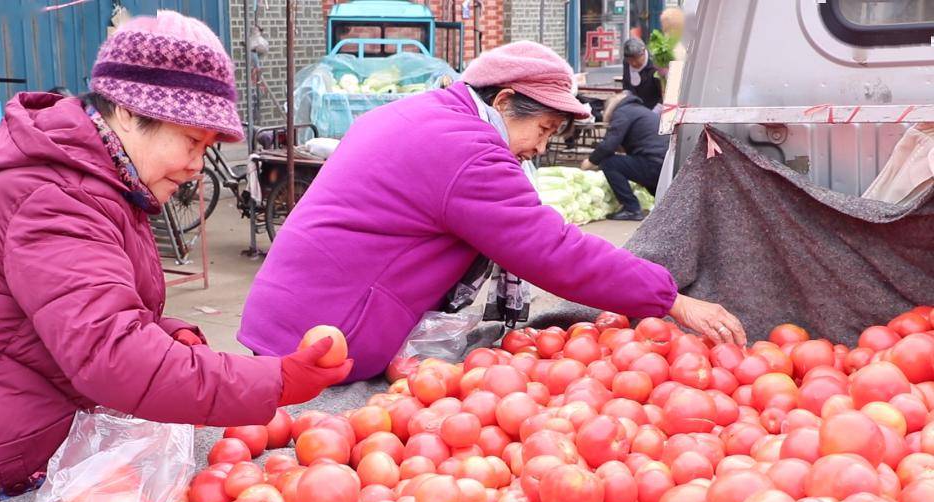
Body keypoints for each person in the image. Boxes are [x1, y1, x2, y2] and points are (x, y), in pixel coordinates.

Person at [0, 11, 350, 502]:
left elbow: (90, 314)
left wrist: (167, 333)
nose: (193, 166)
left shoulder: (102, 189)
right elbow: (113, 355)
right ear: (130, 114)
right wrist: (272, 383)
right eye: (191, 140)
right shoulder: (55, 200)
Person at [238, 42, 747, 386]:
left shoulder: (422, 113)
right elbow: (553, 250)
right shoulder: (466, 150)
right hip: (324, 336)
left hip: (294, 317)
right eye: (544, 130)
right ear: (503, 101)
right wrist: (671, 299)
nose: (537, 149)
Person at [581, 91, 669, 221]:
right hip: (663, 163)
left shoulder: (623, 112)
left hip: (653, 163)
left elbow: (609, 144)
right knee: (634, 167)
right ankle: (664, 207)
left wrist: (590, 161)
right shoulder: (638, 110)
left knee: (609, 163)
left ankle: (631, 209)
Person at [621, 37, 664, 111]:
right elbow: (626, 84)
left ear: (643, 52)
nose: (633, 63)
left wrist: (654, 112)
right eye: (630, 60)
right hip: (634, 108)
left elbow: (663, 94)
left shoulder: (656, 66)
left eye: (636, 59)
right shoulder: (626, 62)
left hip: (654, 108)